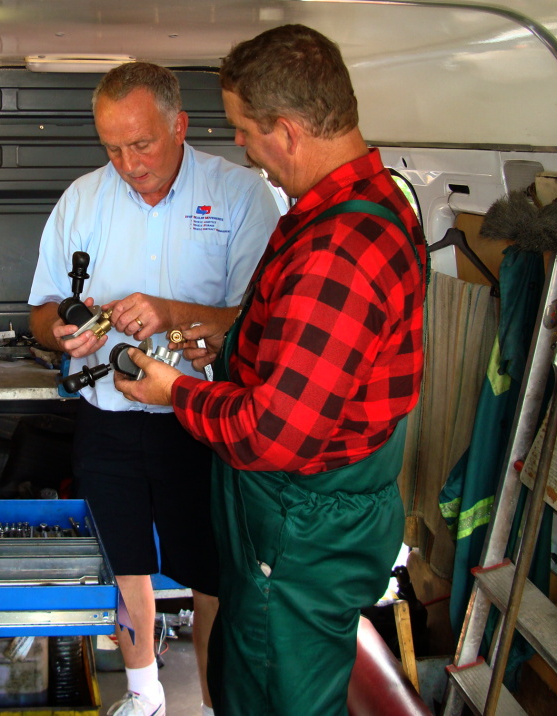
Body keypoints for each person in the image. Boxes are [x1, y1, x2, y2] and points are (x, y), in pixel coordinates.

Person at [113, 25, 427, 716]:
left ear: (285, 130)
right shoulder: (362, 204)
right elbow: (312, 353)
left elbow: (273, 435)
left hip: (299, 525)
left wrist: (178, 391)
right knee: (245, 675)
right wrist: (229, 350)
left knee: (276, 695)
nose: (243, 148)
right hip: (304, 516)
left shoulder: (339, 247)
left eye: (244, 131)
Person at [28, 62, 281, 716]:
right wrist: (61, 331)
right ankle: (144, 694)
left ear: (180, 126)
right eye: (112, 148)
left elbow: (264, 322)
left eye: (141, 144)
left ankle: (217, 698)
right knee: (124, 564)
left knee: (211, 576)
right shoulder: (82, 199)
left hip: (203, 418)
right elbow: (41, 308)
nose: (129, 163)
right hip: (107, 418)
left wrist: (172, 312)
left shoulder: (241, 196)